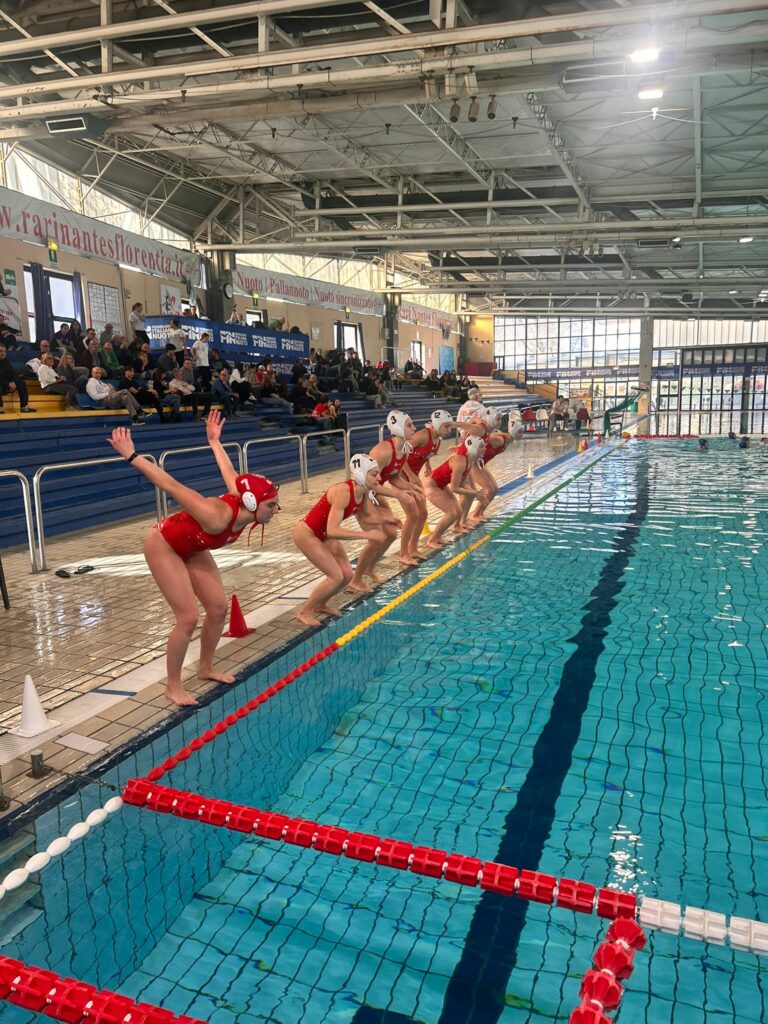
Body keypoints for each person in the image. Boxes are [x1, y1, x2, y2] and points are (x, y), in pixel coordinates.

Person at [107, 411, 280, 705]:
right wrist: (132, 455)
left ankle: (205, 667)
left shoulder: (243, 497)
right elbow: (170, 485)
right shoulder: (216, 516)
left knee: (217, 608)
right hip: (164, 544)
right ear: (253, 503)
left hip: (192, 546)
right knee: (187, 618)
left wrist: (214, 441)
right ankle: (173, 686)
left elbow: (229, 470)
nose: (277, 510)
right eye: (272, 505)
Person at [293, 455, 391, 626]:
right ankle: (304, 612)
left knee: (347, 575)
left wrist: (388, 520)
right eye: (374, 474)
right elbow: (333, 530)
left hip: (323, 535)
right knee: (336, 576)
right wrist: (367, 535)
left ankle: (321, 604)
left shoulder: (363, 492)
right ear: (360, 474)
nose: (380, 478)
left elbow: (367, 519)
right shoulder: (343, 492)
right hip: (307, 534)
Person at [350, 410, 418, 588]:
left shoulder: (404, 450)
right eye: (409, 424)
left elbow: (394, 478)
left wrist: (411, 486)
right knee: (376, 537)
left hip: (375, 493)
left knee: (390, 534)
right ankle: (355, 580)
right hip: (362, 493)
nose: (414, 428)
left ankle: (369, 568)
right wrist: (397, 494)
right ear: (397, 427)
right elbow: (368, 483)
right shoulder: (382, 451)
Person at [404, 409, 454, 561]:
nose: (449, 430)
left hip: (413, 476)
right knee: (413, 516)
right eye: (446, 427)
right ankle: (404, 553)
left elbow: (426, 452)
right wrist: (411, 475)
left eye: (450, 427)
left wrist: (427, 465)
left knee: (423, 514)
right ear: (437, 425)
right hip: (401, 476)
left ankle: (412, 549)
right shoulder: (422, 435)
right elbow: (401, 452)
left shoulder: (437, 439)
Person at [422, 435, 486, 548]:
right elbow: (454, 488)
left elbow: (463, 483)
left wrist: (478, 495)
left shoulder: (469, 461)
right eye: (482, 447)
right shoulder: (460, 461)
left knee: (458, 511)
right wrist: (476, 494)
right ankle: (432, 540)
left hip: (440, 484)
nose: (485, 449)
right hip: (431, 485)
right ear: (474, 448)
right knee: (451, 513)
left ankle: (438, 536)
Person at [0, 342, 36, 413]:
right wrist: (8, 384)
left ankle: (24, 407)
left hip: (7, 386)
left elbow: (13, 374)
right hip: (2, 385)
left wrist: (14, 382)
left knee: (21, 383)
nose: (2, 353)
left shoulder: (6, 361)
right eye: (0, 351)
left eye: (4, 351)